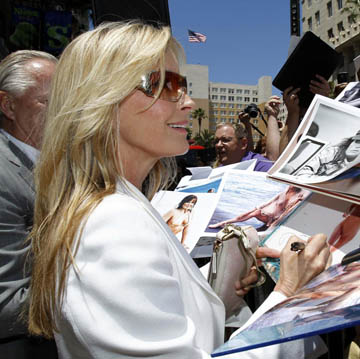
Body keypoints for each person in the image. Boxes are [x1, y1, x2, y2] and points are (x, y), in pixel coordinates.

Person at [27, 21, 330, 358]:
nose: (187, 102)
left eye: (183, 85)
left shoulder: (122, 203)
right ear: (102, 99)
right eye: (164, 85)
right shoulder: (112, 223)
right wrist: (289, 294)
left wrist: (218, 281)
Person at [0, 50, 58, 358]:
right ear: (8, 105)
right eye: (49, 102)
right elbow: (7, 303)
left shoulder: (62, 163)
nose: (64, 112)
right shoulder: (3, 177)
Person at [294, 125, 360, 178]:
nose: (358, 146)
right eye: (357, 141)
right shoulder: (334, 152)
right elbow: (305, 170)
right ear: (351, 140)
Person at [209, 186, 310, 229]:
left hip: (275, 219)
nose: (290, 186)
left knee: (255, 213)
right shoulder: (283, 193)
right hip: (268, 215)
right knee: (253, 212)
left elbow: (286, 213)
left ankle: (223, 223)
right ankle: (223, 223)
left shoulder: (299, 197)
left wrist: (273, 225)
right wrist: (258, 207)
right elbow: (269, 202)